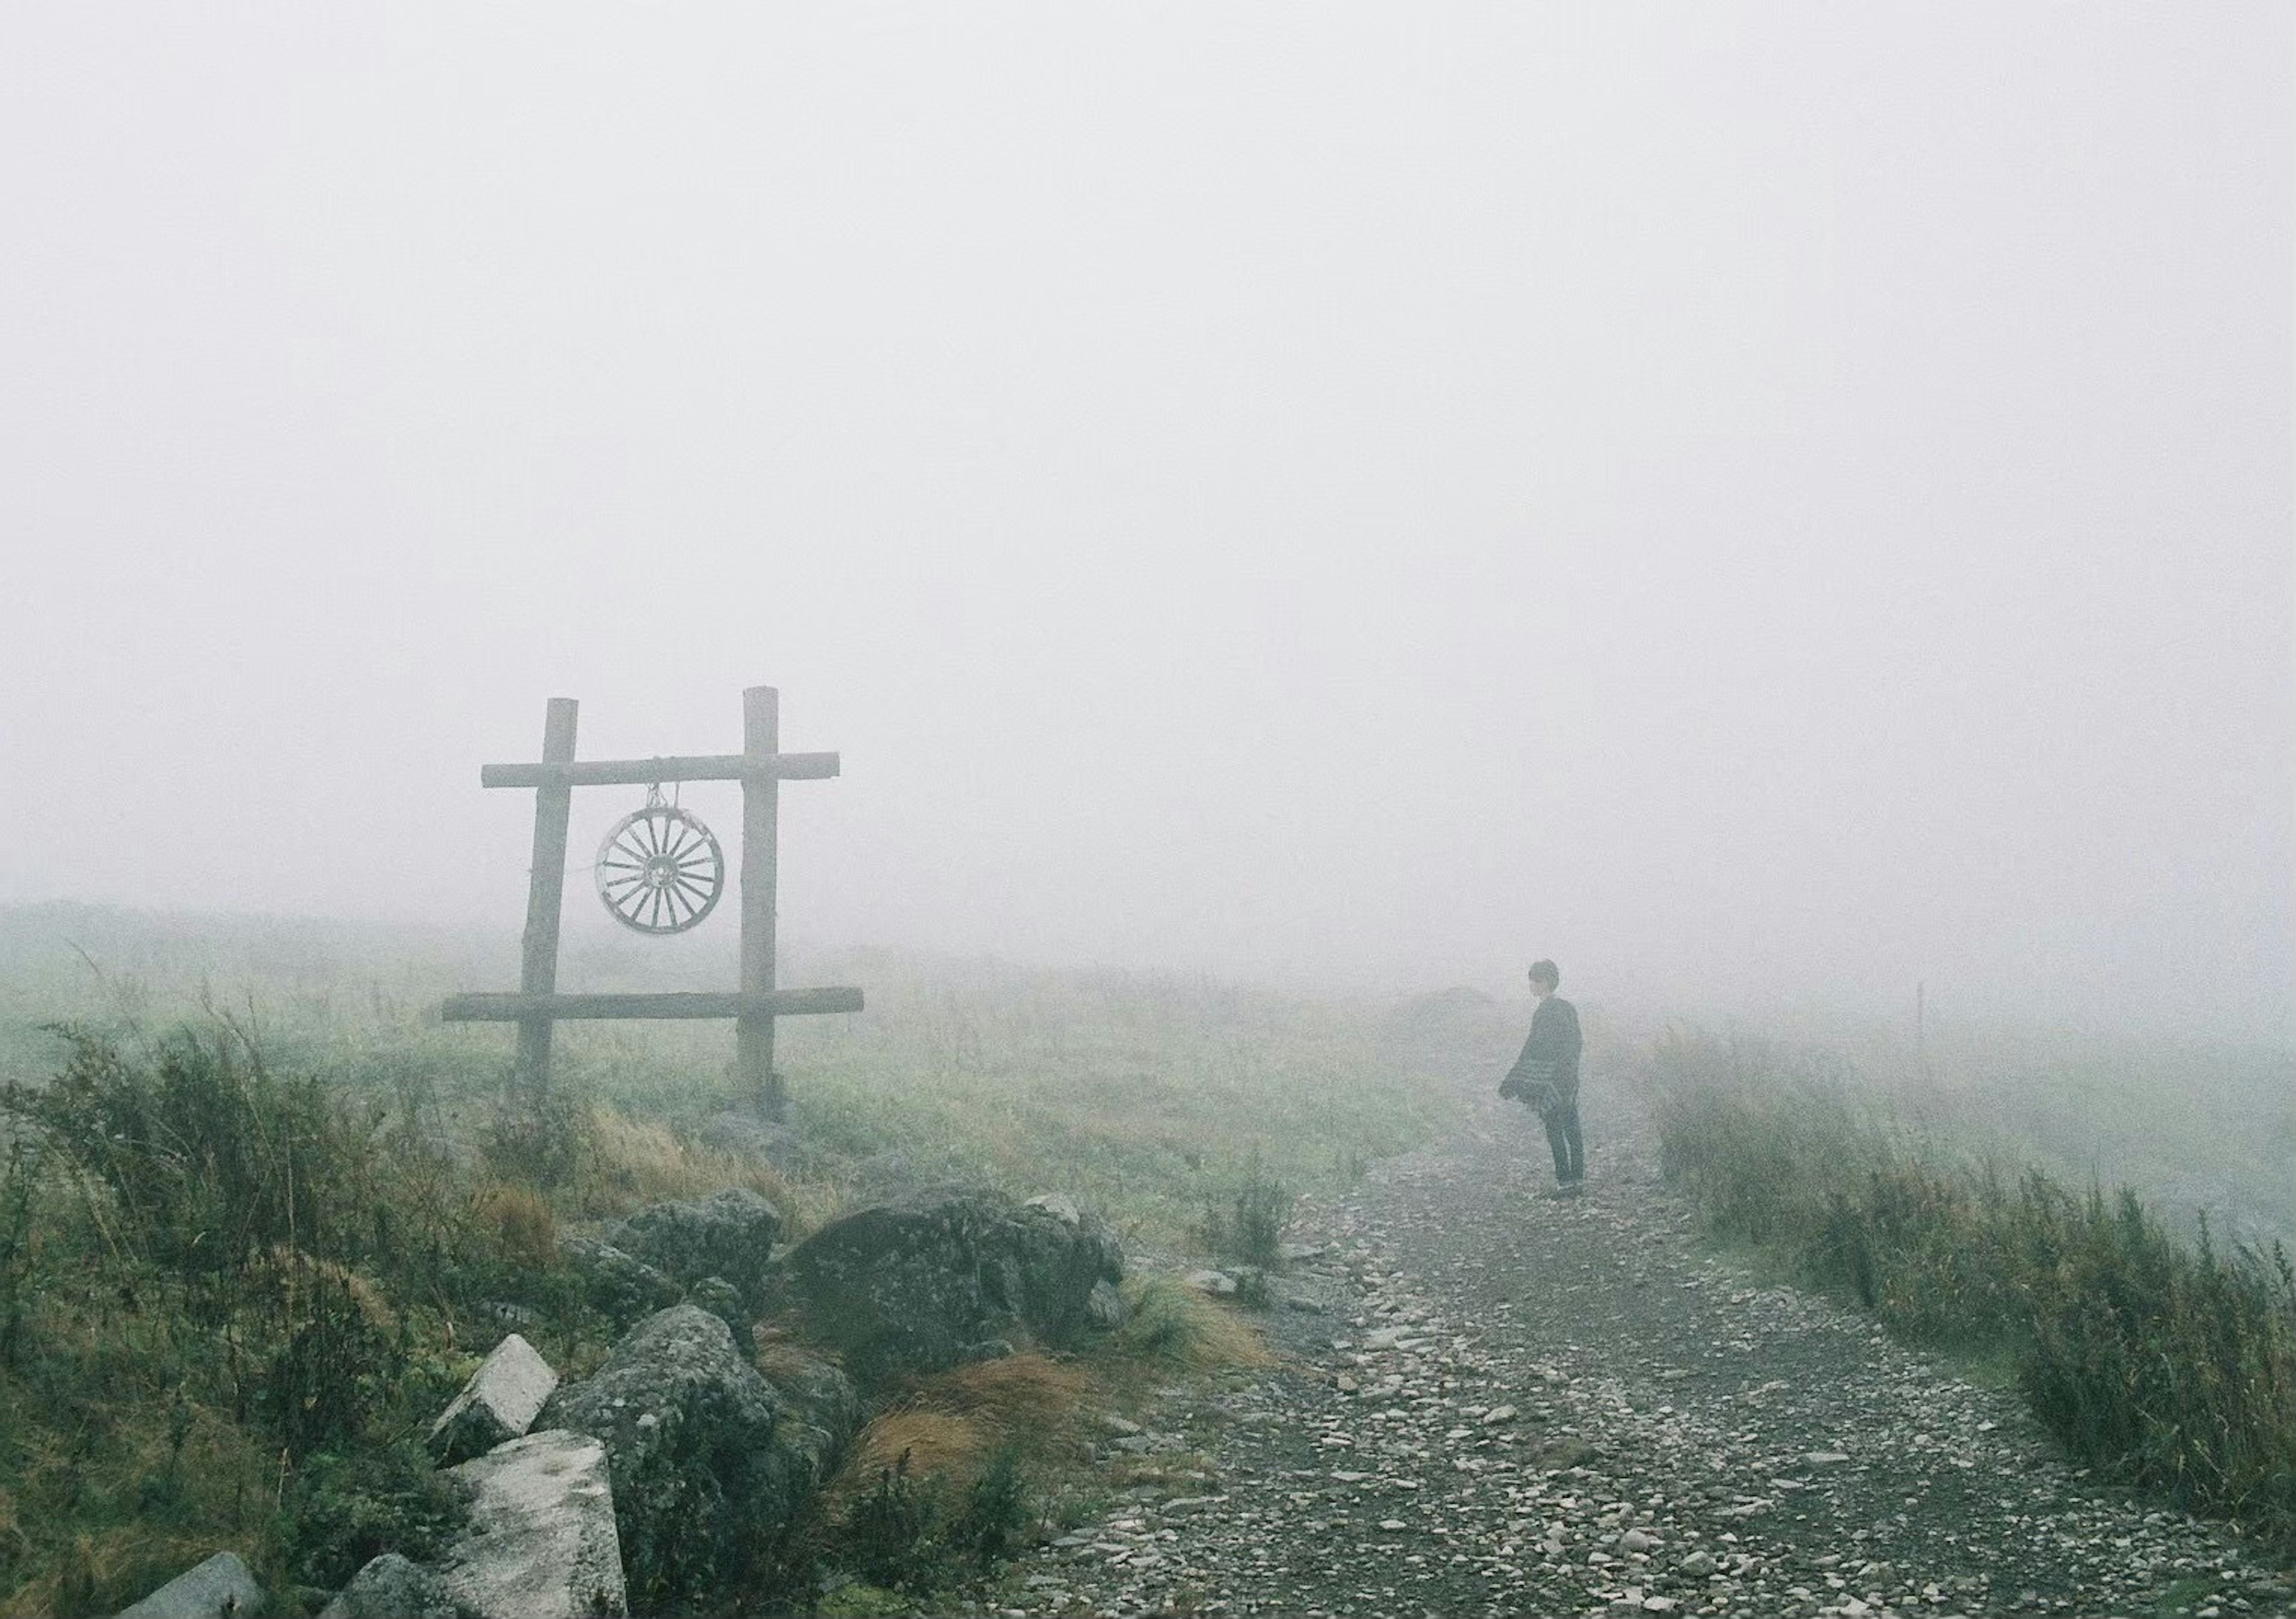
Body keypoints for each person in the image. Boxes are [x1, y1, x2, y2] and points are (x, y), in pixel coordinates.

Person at [1498, 959, 1584, 1196]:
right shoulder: (1568, 1009)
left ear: (1544, 982)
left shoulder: (1545, 1013)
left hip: (1549, 1080)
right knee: (1573, 1127)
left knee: (1554, 1129)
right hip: (1568, 1077)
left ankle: (1564, 1181)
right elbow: (1576, 1044)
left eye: (1533, 981)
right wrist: (1571, 1073)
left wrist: (1515, 1079)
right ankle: (1578, 1178)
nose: (1530, 986)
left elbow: (1533, 1049)